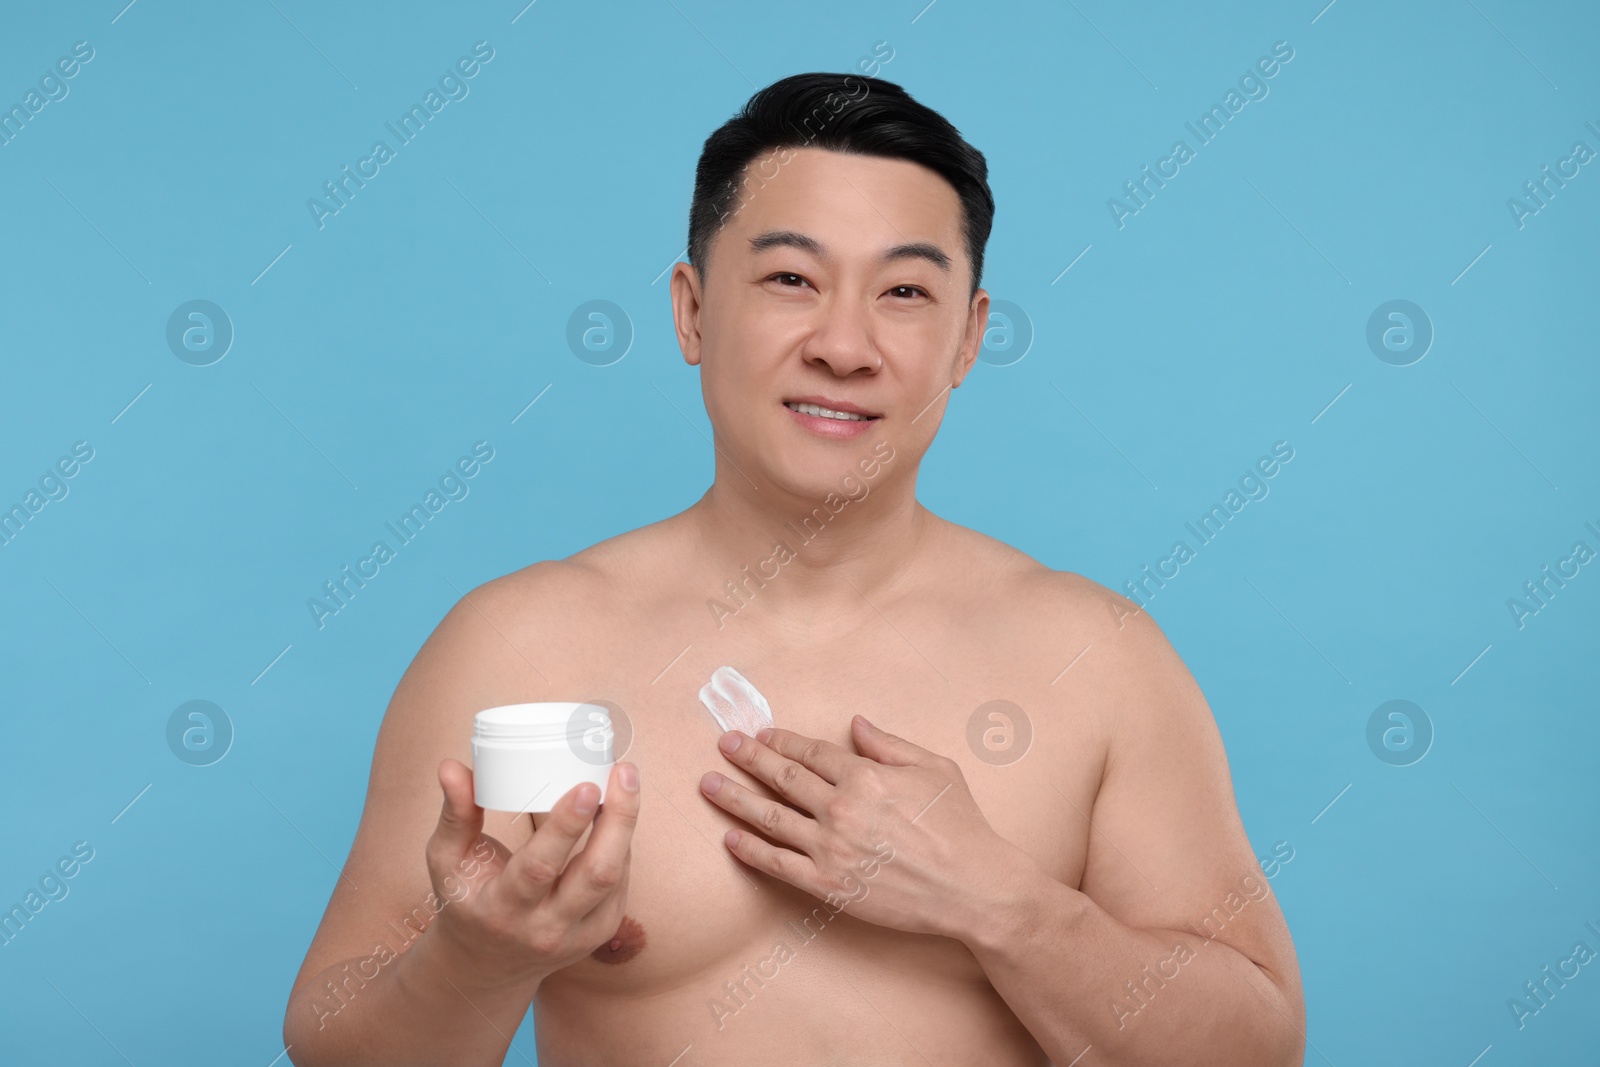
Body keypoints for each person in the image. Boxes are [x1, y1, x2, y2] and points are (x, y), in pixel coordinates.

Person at [283, 71, 1304, 1066]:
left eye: (904, 291)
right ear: (690, 311)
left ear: (967, 339)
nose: (845, 344)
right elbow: (330, 1036)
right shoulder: (519, 642)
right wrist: (474, 960)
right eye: (790, 279)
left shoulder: (1097, 657)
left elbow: (1259, 1045)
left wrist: (1003, 902)